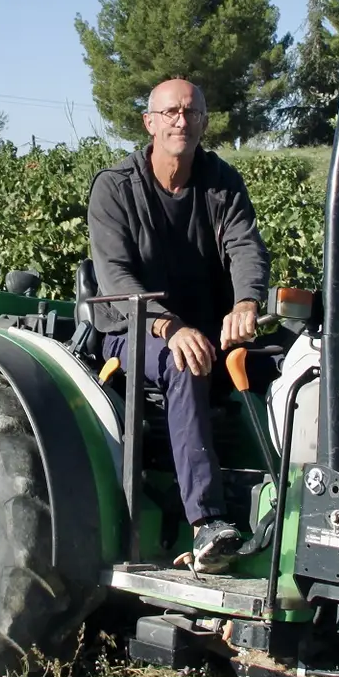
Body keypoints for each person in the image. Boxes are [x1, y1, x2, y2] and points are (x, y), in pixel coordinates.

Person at [86, 78, 269, 572]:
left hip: (205, 324)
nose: (180, 121)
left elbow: (244, 246)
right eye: (169, 113)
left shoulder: (221, 181)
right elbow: (116, 277)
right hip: (134, 330)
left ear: (204, 122)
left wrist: (247, 302)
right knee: (185, 362)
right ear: (150, 123)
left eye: (190, 112)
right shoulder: (115, 188)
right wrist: (169, 326)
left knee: (290, 356)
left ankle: (286, 498)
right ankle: (207, 521)